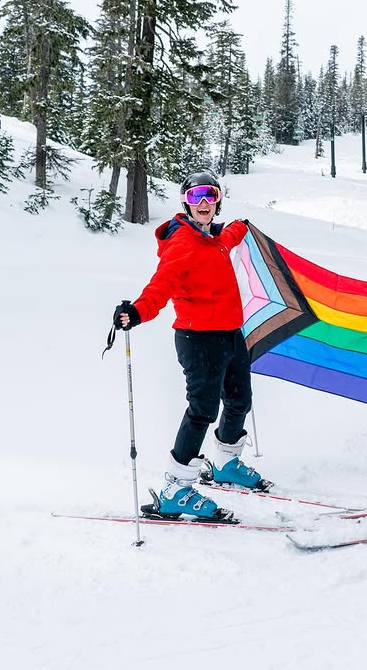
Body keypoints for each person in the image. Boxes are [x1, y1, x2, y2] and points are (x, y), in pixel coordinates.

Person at [113, 171, 269, 522]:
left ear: (217, 201)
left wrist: (241, 227)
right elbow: (161, 285)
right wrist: (137, 311)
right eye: (196, 195)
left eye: (209, 195)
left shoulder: (214, 238)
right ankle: (175, 491)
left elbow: (228, 237)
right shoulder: (183, 243)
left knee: (240, 399)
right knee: (202, 410)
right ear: (185, 201)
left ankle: (226, 463)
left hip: (231, 334)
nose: (203, 203)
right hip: (198, 339)